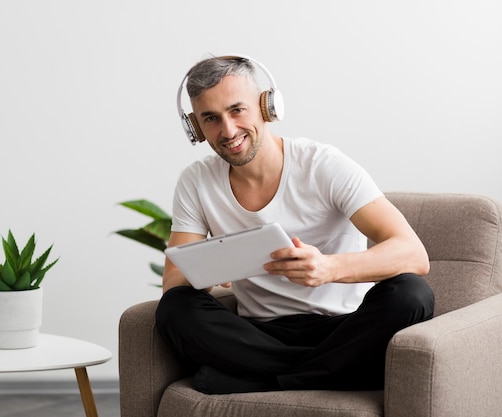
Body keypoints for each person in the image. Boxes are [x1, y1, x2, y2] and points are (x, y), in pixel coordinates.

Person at [156, 54, 434, 395]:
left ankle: (267, 380)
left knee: (412, 294)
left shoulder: (323, 165)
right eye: (211, 118)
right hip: (261, 334)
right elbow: (173, 282)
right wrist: (209, 268)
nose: (228, 131)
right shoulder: (196, 181)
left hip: (343, 328)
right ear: (195, 128)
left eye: (237, 110)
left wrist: (329, 268)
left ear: (266, 106)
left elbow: (414, 255)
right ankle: (341, 373)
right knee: (175, 308)